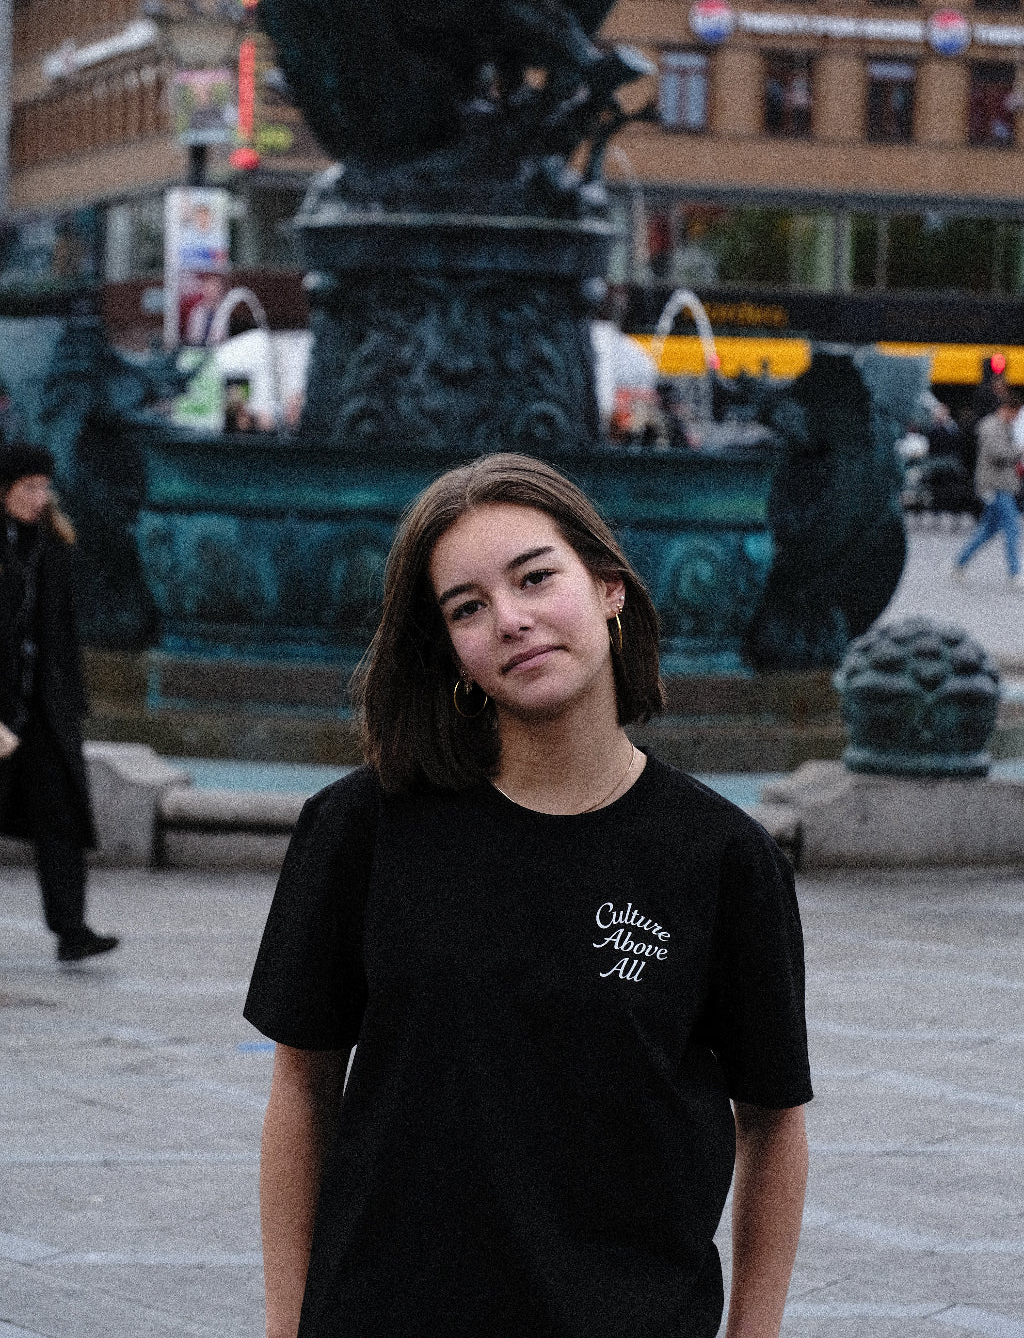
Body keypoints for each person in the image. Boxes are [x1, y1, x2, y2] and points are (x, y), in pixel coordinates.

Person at [245, 452, 812, 1338]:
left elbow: (772, 1123)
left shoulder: (723, 859)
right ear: (451, 652)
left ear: (610, 587)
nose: (510, 620)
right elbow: (303, 1087)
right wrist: (287, 1327)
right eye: (466, 608)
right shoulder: (361, 829)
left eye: (536, 578)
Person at [0, 443, 118, 961]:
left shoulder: (54, 544)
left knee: (60, 817)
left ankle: (71, 929)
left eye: (44, 487)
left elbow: (61, 632)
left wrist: (69, 705)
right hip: (3, 708)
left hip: (44, 710)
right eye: (28, 487)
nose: (38, 497)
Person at [952, 390, 1024, 588]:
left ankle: (959, 563)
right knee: (1012, 528)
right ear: (1007, 410)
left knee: (987, 531)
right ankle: (1015, 574)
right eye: (1015, 414)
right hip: (995, 485)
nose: (1015, 418)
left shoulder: (1002, 426)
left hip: (1001, 485)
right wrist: (1019, 451)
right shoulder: (991, 426)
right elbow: (997, 453)